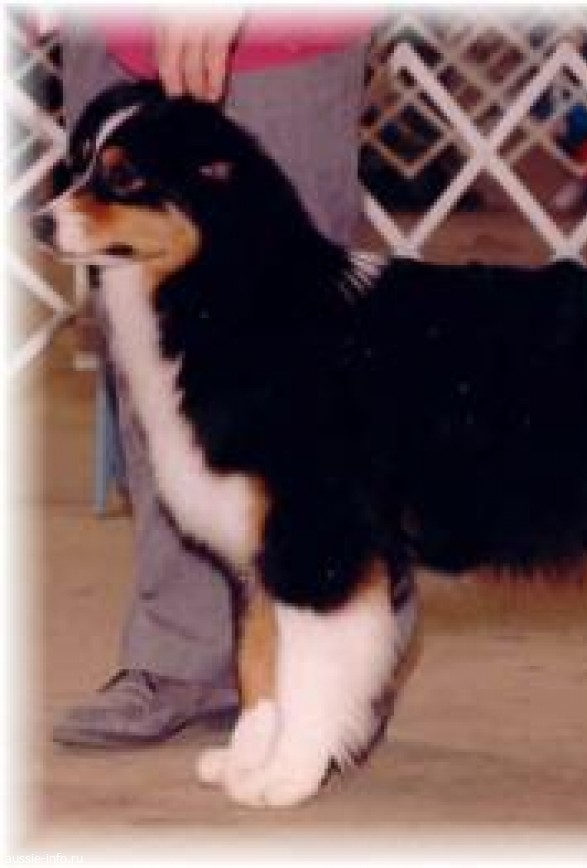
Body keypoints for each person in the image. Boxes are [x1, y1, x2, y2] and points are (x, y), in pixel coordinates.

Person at [51, 11, 417, 747]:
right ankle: (180, 655)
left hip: (276, 38)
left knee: (307, 387)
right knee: (155, 370)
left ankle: (337, 678)